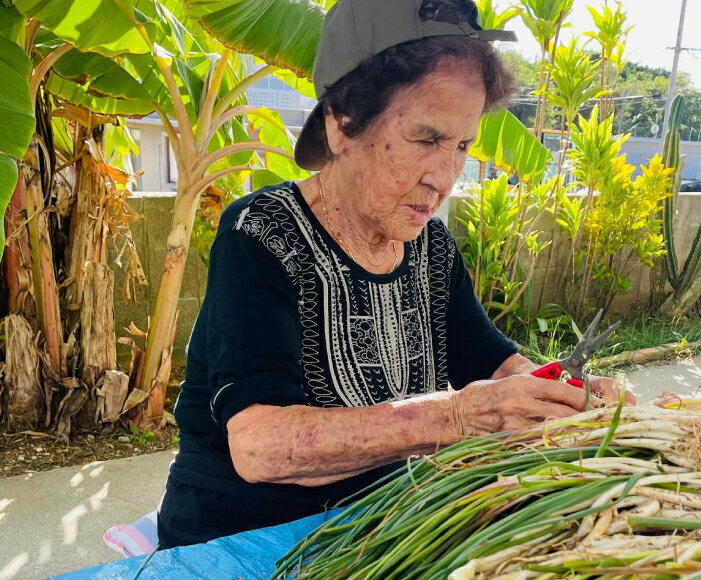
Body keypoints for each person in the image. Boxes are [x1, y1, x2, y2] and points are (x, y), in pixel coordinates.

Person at [157, 0, 633, 549]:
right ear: (342, 126)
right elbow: (261, 445)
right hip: (248, 535)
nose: (445, 176)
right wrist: (456, 417)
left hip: (387, 520)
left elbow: (493, 361)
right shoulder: (262, 234)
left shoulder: (430, 245)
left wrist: (565, 393)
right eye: (427, 140)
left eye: (461, 146)